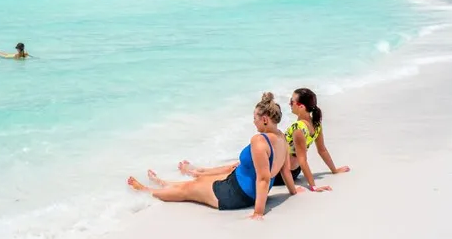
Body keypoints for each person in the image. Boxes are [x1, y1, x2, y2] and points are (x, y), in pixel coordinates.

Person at [127, 93, 304, 219]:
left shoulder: (259, 141)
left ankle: (147, 191)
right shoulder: (281, 137)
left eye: (255, 118)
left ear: (265, 119)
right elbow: (285, 171)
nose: (253, 122)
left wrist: (258, 212)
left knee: (188, 189)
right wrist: (293, 192)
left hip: (236, 194)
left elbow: (264, 179)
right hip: (239, 185)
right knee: (200, 180)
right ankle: (164, 183)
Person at [180, 88, 349, 192]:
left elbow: (303, 159)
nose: (289, 104)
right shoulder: (316, 124)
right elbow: (322, 150)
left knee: (236, 169)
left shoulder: (298, 128)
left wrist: (313, 186)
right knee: (237, 166)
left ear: (301, 106)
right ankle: (200, 171)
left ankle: (196, 173)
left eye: (292, 101)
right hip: (291, 171)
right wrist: (334, 170)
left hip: (284, 173)